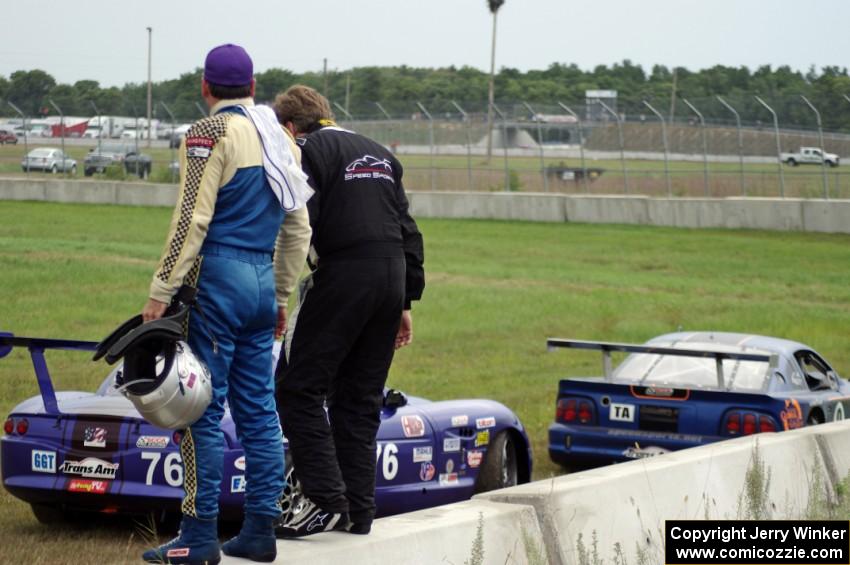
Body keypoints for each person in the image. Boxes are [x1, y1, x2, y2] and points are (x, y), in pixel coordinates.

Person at [140, 44, 312, 564]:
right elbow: (298, 229)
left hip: (216, 280)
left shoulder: (209, 132)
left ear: (206, 87)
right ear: (254, 87)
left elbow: (192, 218)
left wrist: (160, 290)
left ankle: (197, 537)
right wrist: (280, 294)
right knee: (260, 412)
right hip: (262, 283)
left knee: (201, 411)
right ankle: (260, 531)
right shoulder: (281, 136)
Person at [272, 85, 425, 537]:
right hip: (392, 276)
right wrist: (405, 300)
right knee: (358, 401)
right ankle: (359, 510)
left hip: (342, 273)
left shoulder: (303, 149)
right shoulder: (379, 153)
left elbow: (299, 223)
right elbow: (409, 232)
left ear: (289, 126)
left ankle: (324, 500)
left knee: (297, 389)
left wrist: (278, 291)